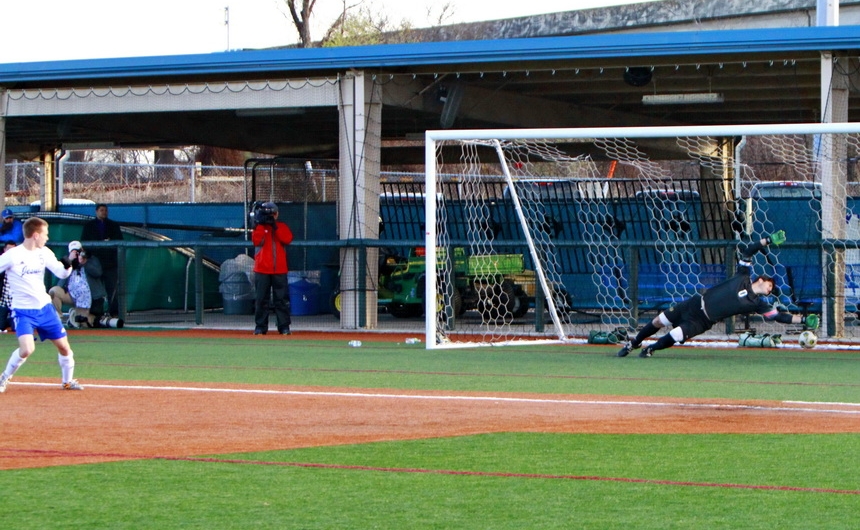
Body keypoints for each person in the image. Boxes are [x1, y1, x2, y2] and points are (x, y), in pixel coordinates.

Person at [617, 230, 820, 358]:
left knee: (676, 334)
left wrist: (802, 319)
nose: (771, 289)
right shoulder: (743, 275)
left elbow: (778, 317)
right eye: (770, 285)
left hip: (703, 320)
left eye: (772, 290)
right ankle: (633, 343)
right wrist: (767, 240)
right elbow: (748, 251)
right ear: (761, 279)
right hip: (695, 303)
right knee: (658, 321)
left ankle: (650, 349)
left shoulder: (757, 303)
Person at [0, 217, 83, 393]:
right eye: (45, 234)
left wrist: (69, 263)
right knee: (27, 349)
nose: (47, 237)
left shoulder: (44, 252)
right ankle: (4, 377)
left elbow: (61, 272)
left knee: (64, 347)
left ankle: (67, 381)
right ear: (35, 235)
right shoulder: (13, 255)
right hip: (23, 310)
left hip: (45, 308)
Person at [251, 201, 294, 335]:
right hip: (262, 269)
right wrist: (260, 224)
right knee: (261, 299)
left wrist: (274, 226)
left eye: (274, 214)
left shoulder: (281, 226)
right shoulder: (259, 227)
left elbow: (287, 239)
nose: (272, 216)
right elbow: (257, 241)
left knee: (281, 300)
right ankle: (260, 327)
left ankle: (284, 326)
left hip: (279, 270)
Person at [48, 240, 107, 328]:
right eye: (74, 252)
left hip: (88, 297)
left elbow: (98, 273)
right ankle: (56, 320)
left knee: (82, 323)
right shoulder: (67, 261)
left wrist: (85, 262)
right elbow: (60, 276)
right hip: (71, 295)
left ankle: (76, 314)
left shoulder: (91, 259)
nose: (77, 254)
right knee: (54, 291)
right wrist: (69, 261)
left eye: (78, 251)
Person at [80, 203, 123, 316]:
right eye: (101, 210)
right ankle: (96, 313)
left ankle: (114, 313)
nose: (104, 212)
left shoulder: (113, 225)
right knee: (95, 290)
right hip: (94, 263)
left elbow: (119, 240)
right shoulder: (89, 226)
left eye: (105, 210)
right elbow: (84, 242)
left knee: (112, 288)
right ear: (96, 211)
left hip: (110, 262)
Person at [0, 240, 16, 331]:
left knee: (16, 328)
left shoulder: (19, 265)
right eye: (8, 249)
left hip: (15, 301)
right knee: (0, 326)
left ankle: (11, 321)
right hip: (2, 300)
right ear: (4, 249)